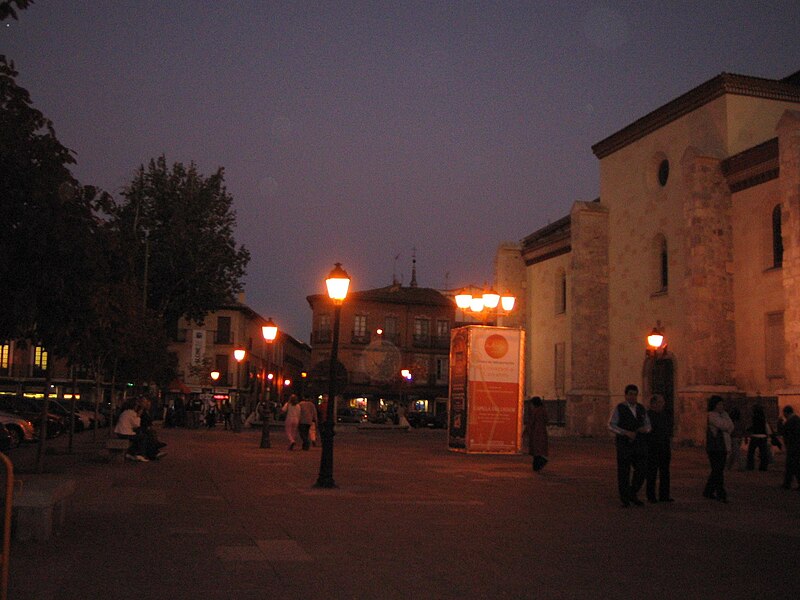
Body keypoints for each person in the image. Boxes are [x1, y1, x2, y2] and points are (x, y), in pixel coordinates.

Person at [608, 384, 651, 507]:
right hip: (624, 445)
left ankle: (633, 492)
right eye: (630, 394)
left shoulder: (641, 409)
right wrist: (625, 432)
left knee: (641, 470)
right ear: (626, 395)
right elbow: (611, 425)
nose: (633, 397)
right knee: (624, 472)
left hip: (639, 445)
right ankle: (625, 498)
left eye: (635, 394)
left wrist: (645, 429)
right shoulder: (619, 408)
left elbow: (648, 425)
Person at [704, 395, 734, 503]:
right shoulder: (711, 415)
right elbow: (724, 426)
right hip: (715, 447)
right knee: (718, 471)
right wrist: (726, 424)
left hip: (723, 446)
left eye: (722, 404)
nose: (721, 406)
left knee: (717, 470)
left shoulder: (724, 414)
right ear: (714, 405)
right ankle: (721, 493)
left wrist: (726, 423)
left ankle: (708, 491)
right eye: (719, 404)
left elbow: (731, 426)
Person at [645, 394, 673, 502]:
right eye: (660, 402)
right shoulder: (648, 416)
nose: (663, 404)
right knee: (652, 472)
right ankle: (651, 496)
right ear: (653, 404)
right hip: (652, 448)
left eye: (663, 402)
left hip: (664, 447)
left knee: (665, 472)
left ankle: (664, 495)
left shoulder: (664, 415)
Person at [525, 397, 549, 472]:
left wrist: (527, 431)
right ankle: (537, 465)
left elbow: (531, 422)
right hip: (541, 432)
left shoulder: (535, 411)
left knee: (536, 450)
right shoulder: (543, 410)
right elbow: (546, 420)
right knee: (539, 449)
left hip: (536, 432)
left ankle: (538, 464)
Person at [779, 405, 800, 490]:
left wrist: (781, 423)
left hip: (793, 446)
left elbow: (784, 432)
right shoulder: (797, 420)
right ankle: (787, 483)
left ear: (786, 413)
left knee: (792, 466)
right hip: (796, 446)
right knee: (794, 466)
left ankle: (787, 483)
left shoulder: (790, 422)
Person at [746, 405, 770, 471]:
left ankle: (750, 467)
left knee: (751, 453)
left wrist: (747, 430)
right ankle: (763, 467)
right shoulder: (763, 418)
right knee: (763, 453)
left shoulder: (754, 417)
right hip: (763, 436)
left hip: (755, 436)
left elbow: (753, 426)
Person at [726, 406, 745, 471]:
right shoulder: (740, 421)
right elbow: (743, 429)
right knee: (736, 453)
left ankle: (729, 466)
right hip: (739, 438)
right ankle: (740, 466)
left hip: (734, 438)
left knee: (735, 453)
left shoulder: (731, 421)